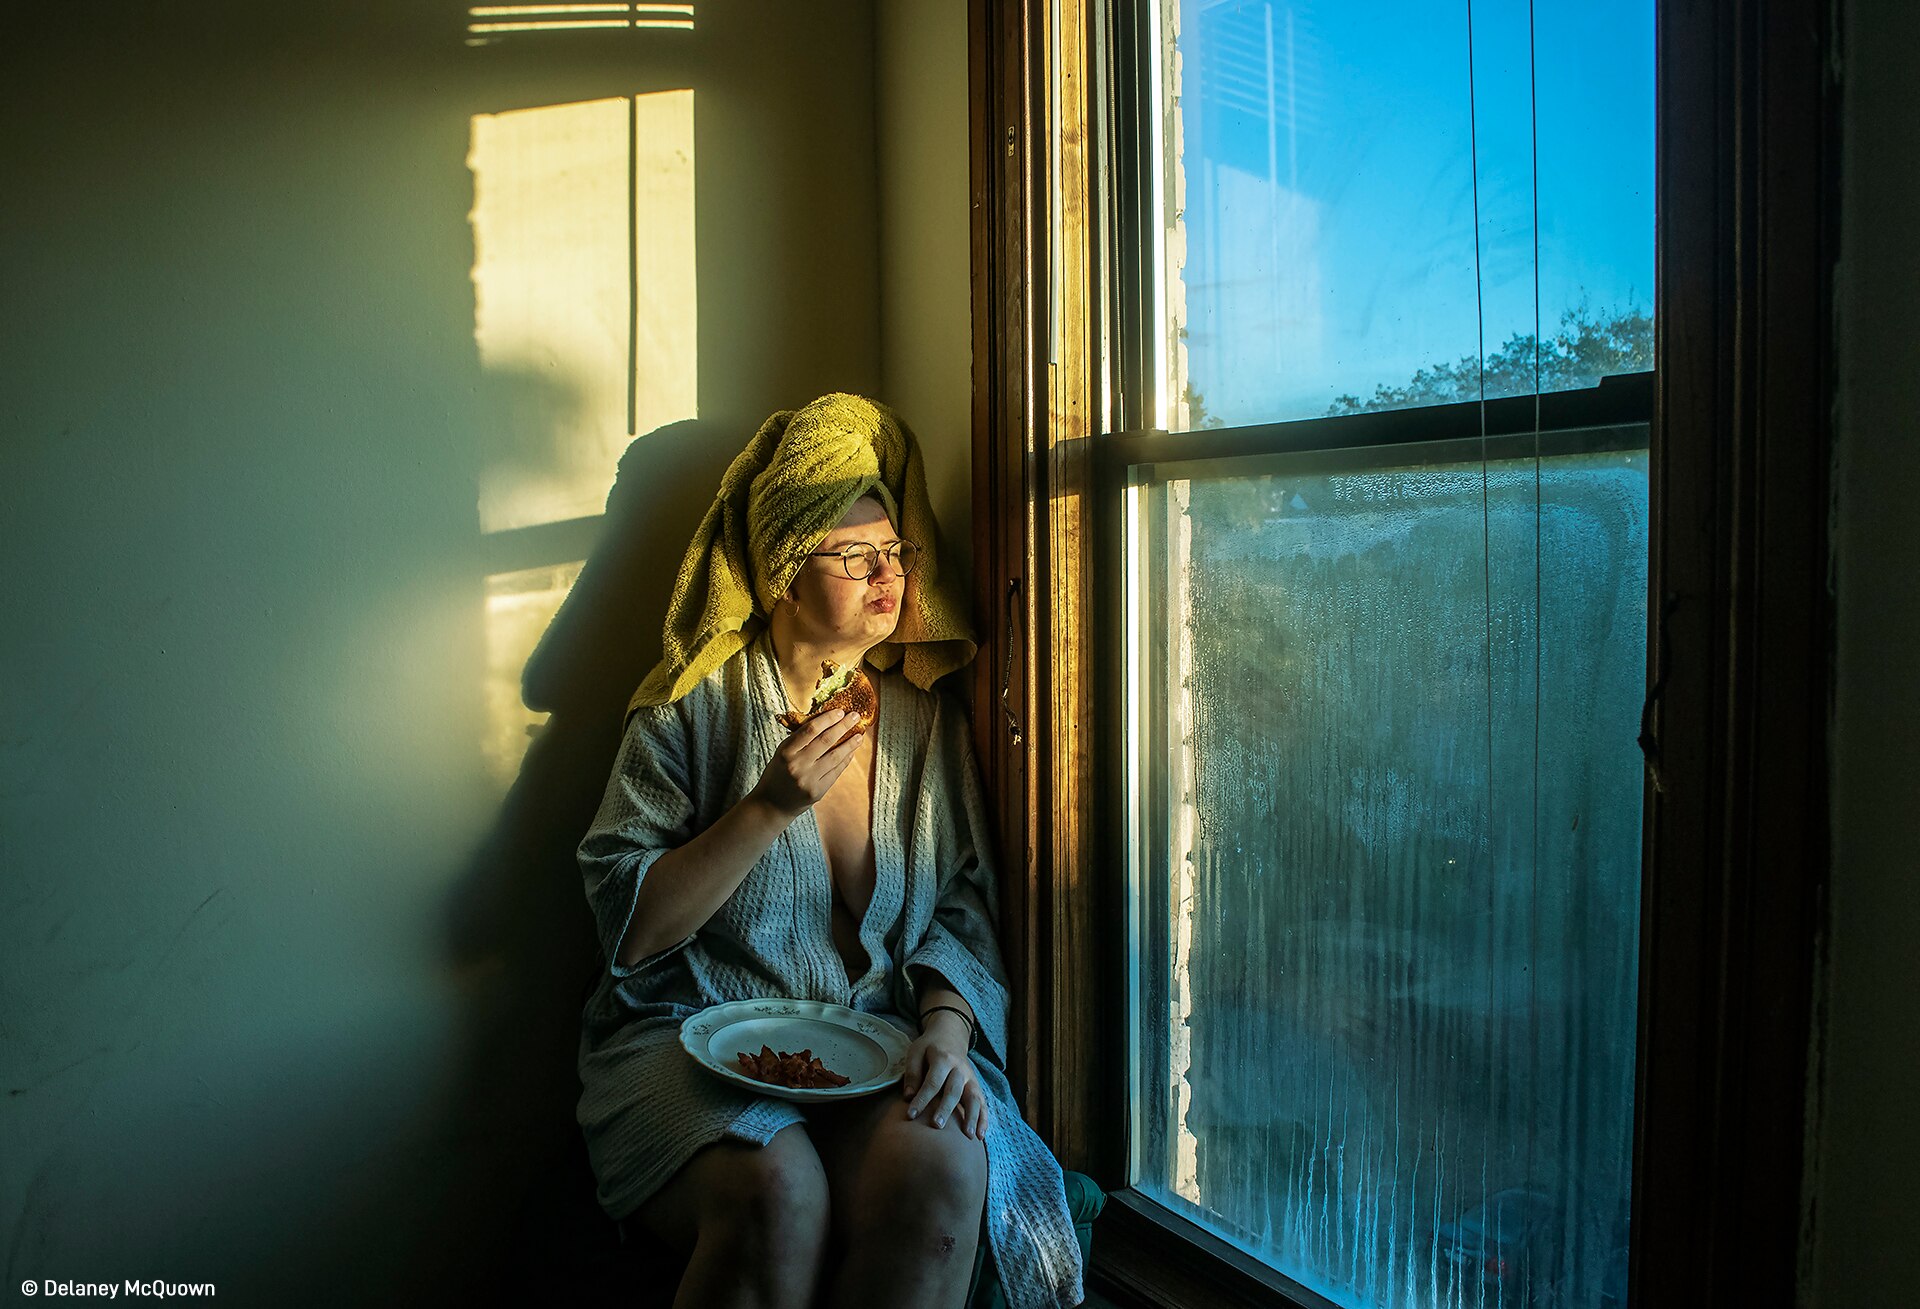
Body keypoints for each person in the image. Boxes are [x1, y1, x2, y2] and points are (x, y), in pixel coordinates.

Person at [573, 394, 1085, 1309]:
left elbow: (963, 901)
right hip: (685, 1034)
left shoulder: (922, 720)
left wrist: (944, 1028)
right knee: (780, 1192)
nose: (887, 574)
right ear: (781, 572)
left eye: (895, 551)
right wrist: (769, 805)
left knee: (942, 1175)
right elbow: (632, 928)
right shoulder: (693, 707)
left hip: (867, 1040)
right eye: (855, 555)